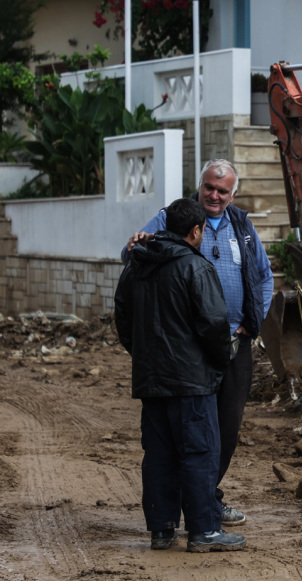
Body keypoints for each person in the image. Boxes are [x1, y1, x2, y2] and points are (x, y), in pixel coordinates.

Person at [123, 159, 274, 527]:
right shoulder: (173, 217)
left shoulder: (243, 226)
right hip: (187, 350)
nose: (215, 195)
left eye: (223, 190)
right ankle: (192, 508)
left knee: (226, 428)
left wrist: (251, 322)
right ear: (200, 185)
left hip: (234, 342)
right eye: (210, 187)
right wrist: (136, 243)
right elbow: (133, 258)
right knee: (188, 432)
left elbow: (264, 276)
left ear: (233, 194)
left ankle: (205, 497)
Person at [114, 198, 245, 552]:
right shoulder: (196, 267)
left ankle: (162, 530)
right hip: (191, 383)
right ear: (196, 231)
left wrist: (143, 355)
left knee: (159, 455)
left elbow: (123, 317)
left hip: (152, 380)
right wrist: (220, 361)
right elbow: (214, 325)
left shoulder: (138, 265)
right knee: (199, 453)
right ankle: (204, 530)